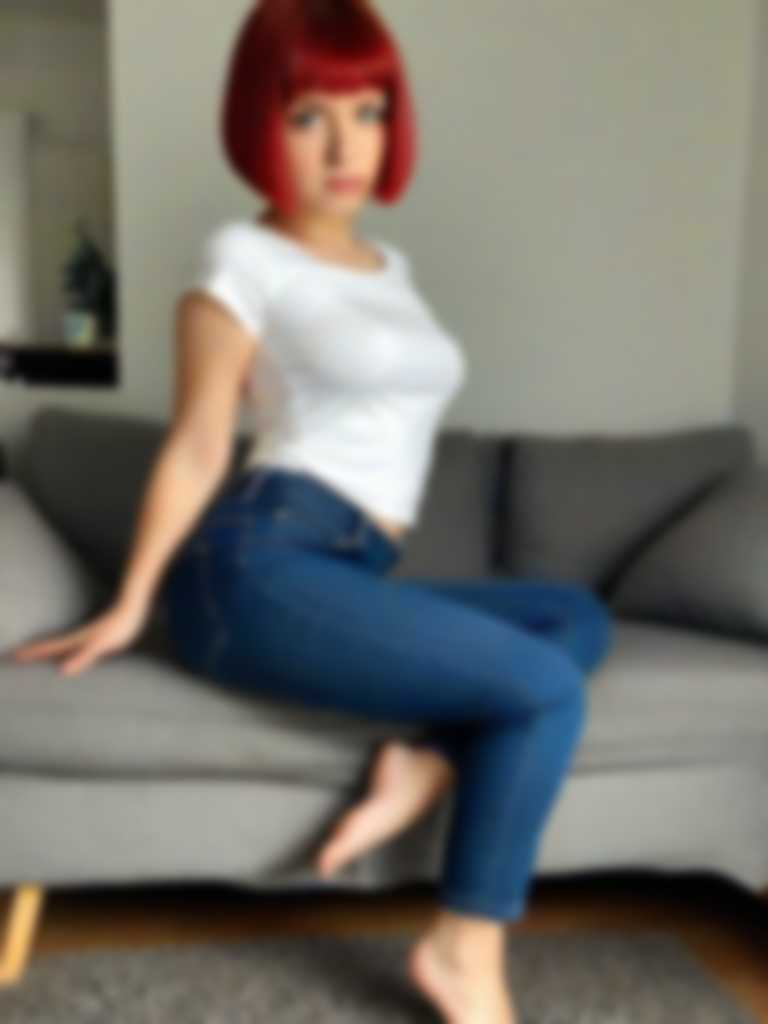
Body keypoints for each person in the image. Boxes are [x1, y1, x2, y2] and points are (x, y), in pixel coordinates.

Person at [7, 1, 614, 1020]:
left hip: (343, 564)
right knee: (546, 689)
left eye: (367, 112)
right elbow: (200, 442)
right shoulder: (238, 261)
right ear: (261, 123)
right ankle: (465, 950)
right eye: (308, 118)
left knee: (575, 614)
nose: (345, 147)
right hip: (254, 566)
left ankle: (424, 762)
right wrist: (132, 601)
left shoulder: (394, 270)